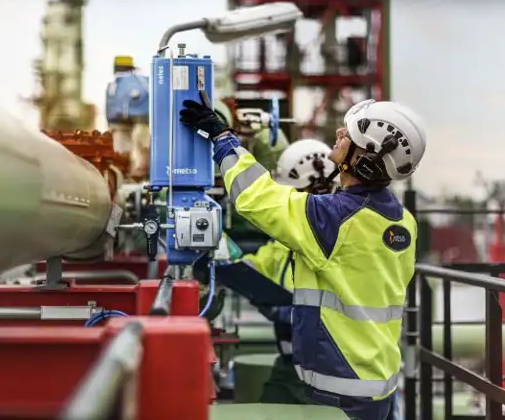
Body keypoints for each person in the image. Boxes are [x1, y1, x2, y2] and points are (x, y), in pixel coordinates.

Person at [180, 94, 427, 420]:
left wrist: (224, 140)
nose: (338, 133)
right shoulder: (403, 221)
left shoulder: (333, 219)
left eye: (349, 134)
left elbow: (256, 197)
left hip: (340, 390)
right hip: (379, 383)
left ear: (365, 159)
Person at [208, 139, 339, 405]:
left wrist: (295, 314)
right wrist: (213, 243)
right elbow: (246, 267)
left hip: (331, 369)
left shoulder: (340, 237)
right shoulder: (283, 244)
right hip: (291, 365)